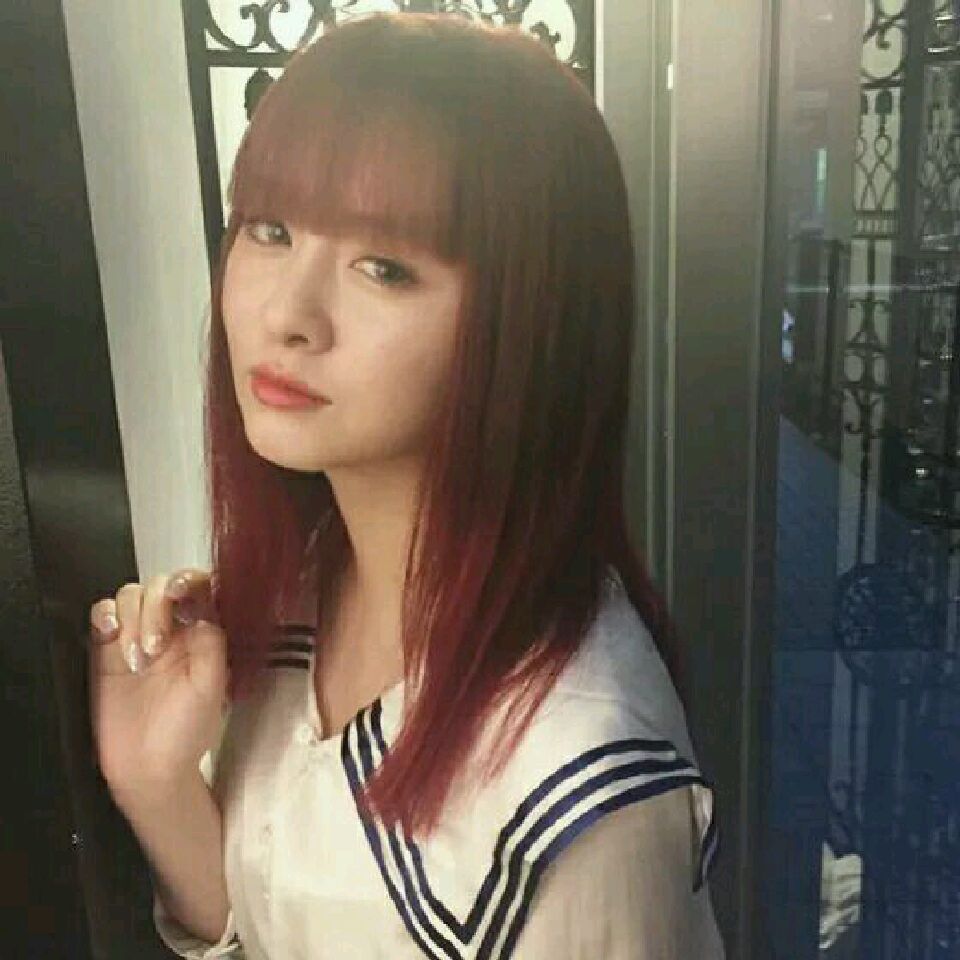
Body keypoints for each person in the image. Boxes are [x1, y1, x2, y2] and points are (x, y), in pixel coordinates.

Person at [87, 12, 724, 958]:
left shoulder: (582, 782)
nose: (289, 313)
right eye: (270, 229)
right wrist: (156, 784)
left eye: (383, 267)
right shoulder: (309, 588)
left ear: (529, 321)